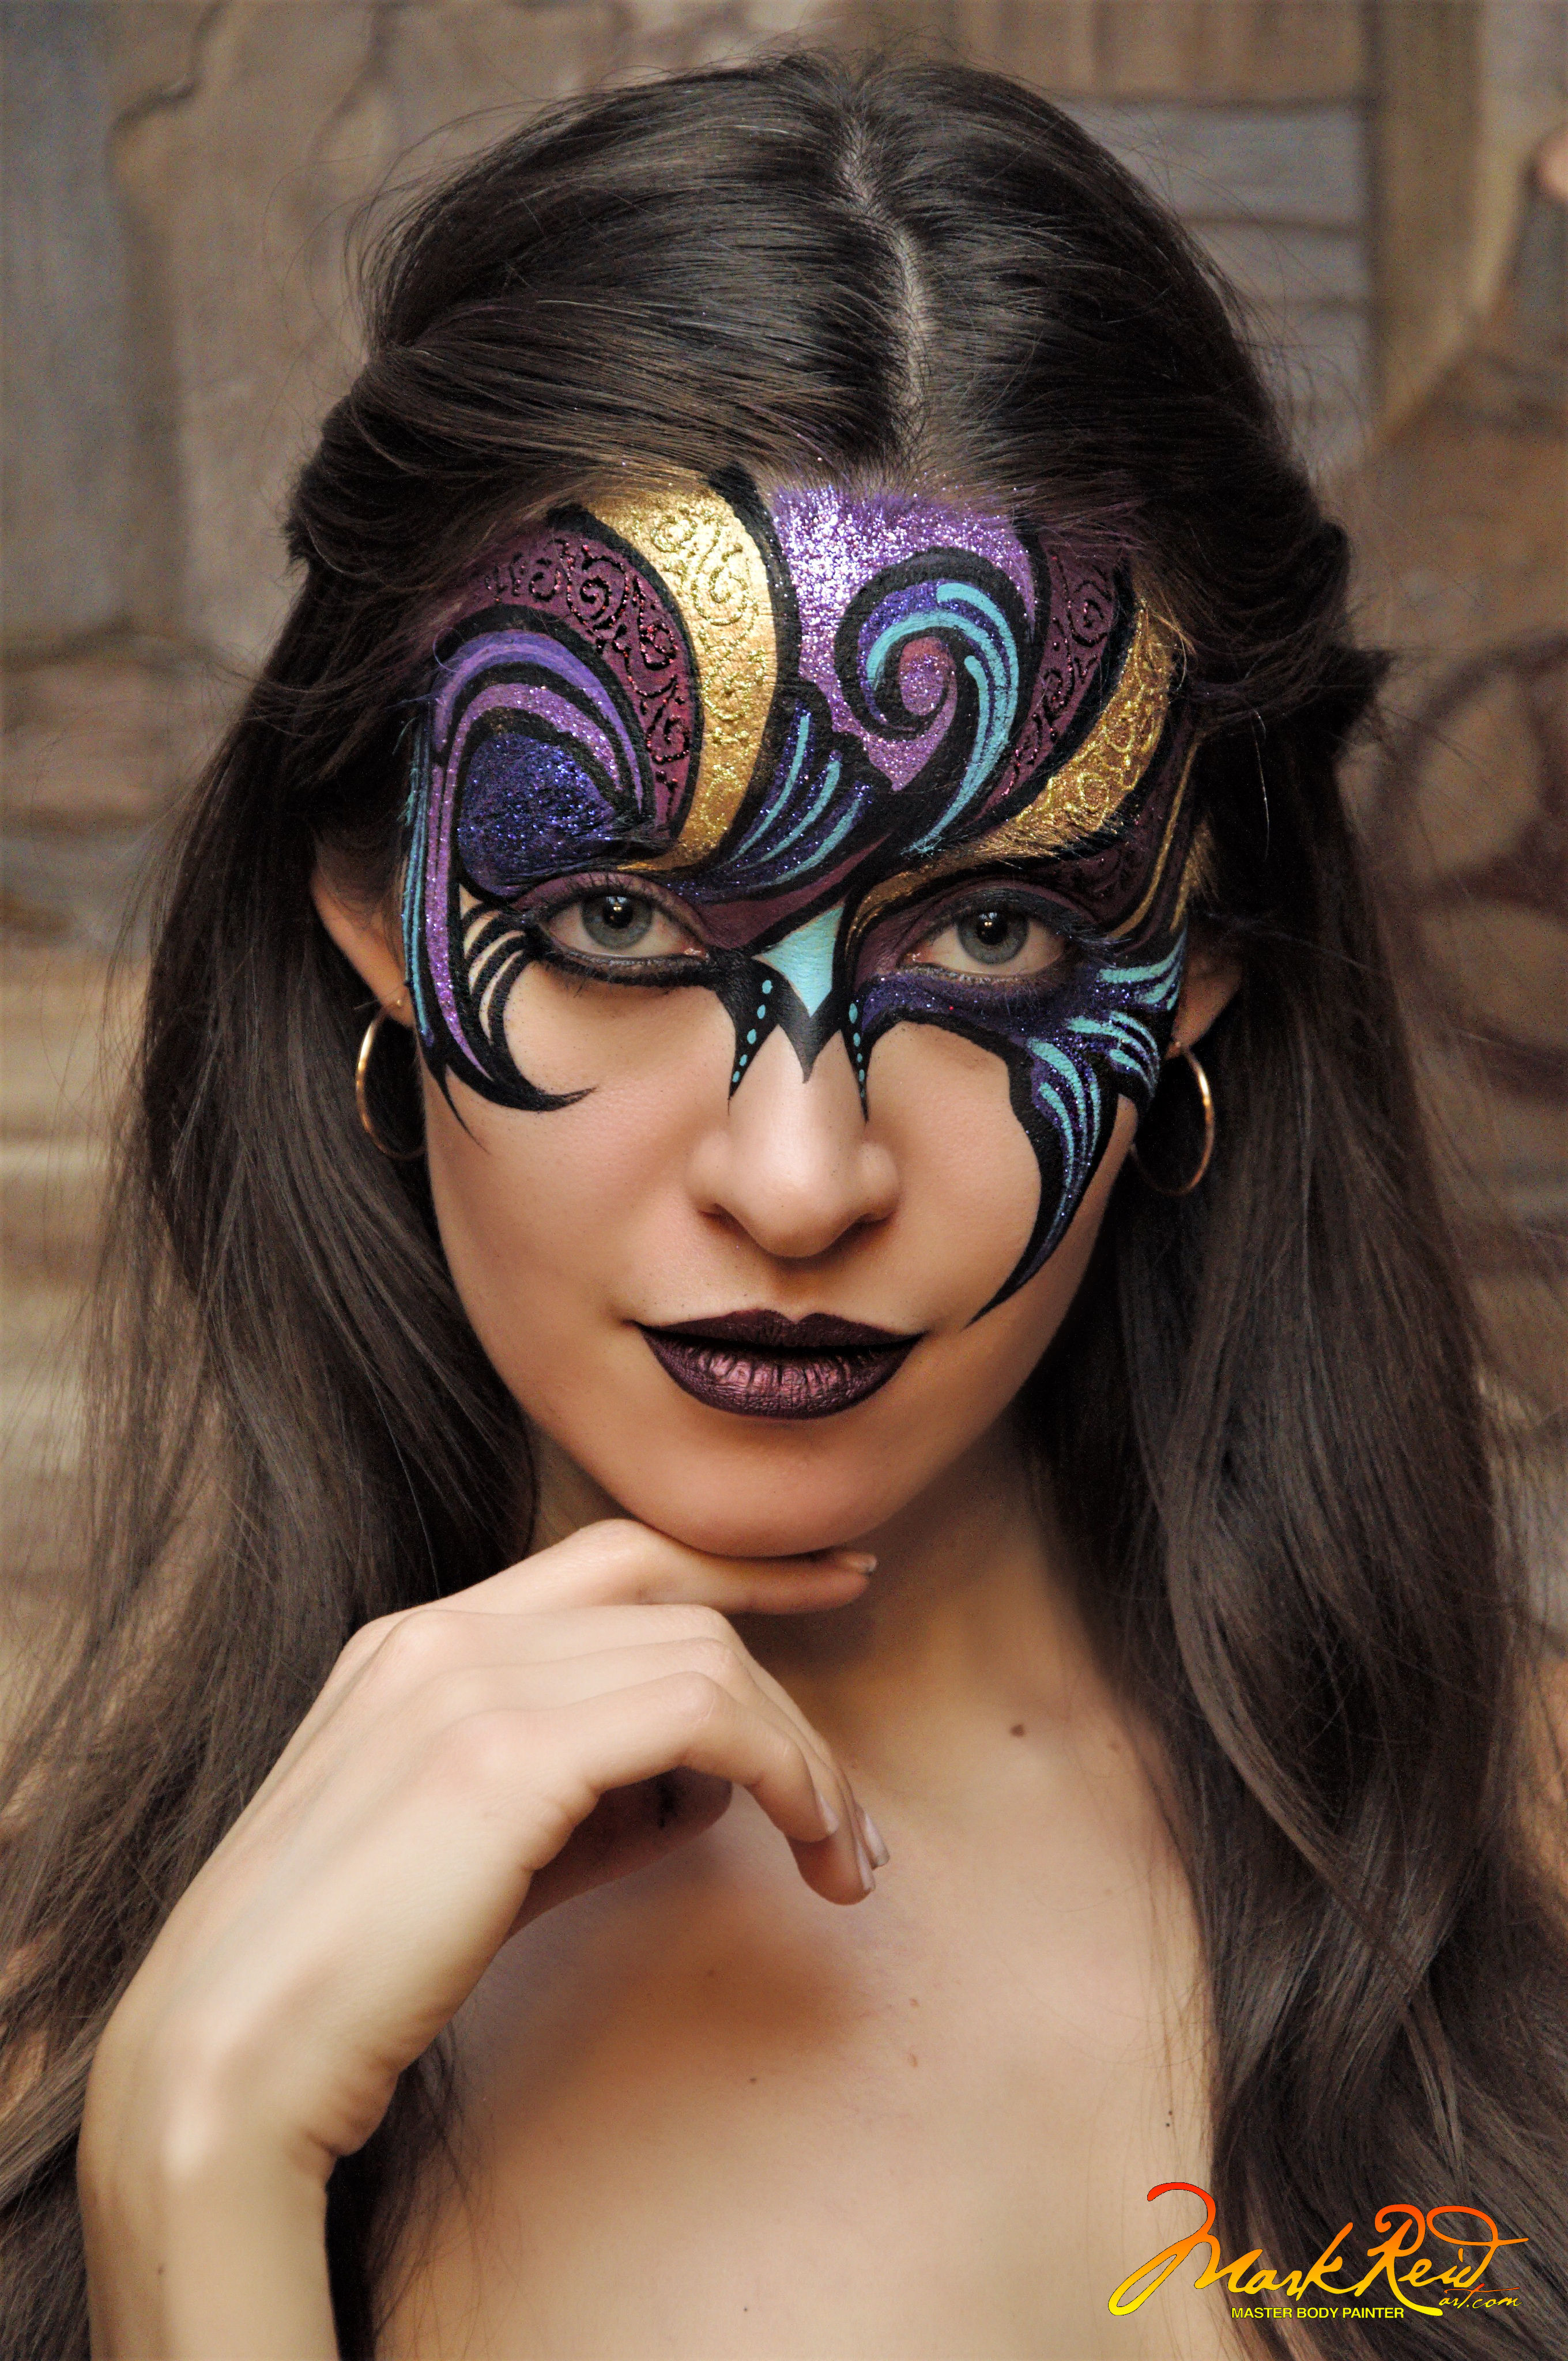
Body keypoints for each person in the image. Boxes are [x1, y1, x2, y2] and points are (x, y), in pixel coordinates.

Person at [2, 52, 1565, 2361]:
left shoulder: (1529, 1871)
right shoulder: (105, 2054)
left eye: (1000, 937)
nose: (799, 1172)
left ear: (1202, 975)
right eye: (623, 927)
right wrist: (197, 2177)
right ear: (367, 911)